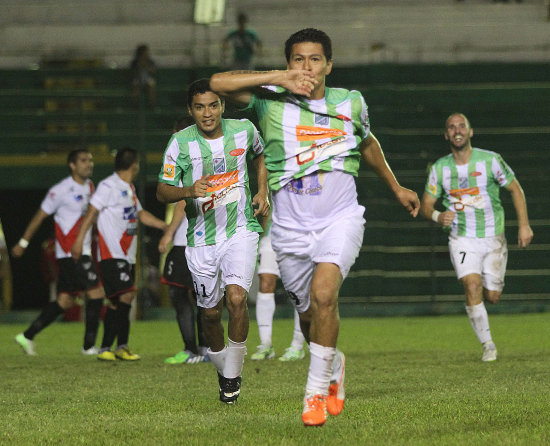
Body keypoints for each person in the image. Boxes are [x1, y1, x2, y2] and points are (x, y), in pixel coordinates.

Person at [210, 28, 420, 426]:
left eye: (315, 59)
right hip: (289, 228)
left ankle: (313, 396)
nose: (307, 67)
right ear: (288, 63)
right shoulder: (268, 104)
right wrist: (276, 78)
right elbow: (217, 84)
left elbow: (367, 141)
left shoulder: (350, 102)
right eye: (298, 60)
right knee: (309, 317)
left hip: (340, 217)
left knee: (325, 295)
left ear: (329, 65)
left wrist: (395, 187)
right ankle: (334, 364)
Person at [156, 78, 270, 404]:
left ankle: (232, 375)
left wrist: (262, 190)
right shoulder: (179, 143)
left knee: (236, 299)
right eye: (199, 107)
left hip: (240, 230)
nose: (207, 113)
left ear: (223, 105)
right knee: (209, 314)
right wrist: (188, 190)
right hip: (201, 239)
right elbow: (162, 190)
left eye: (212, 105)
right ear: (190, 110)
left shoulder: (244, 130)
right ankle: (225, 371)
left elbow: (260, 155)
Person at [420, 113, 533, 362]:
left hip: (494, 238)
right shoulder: (440, 168)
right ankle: (488, 345)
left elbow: (516, 189)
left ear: (471, 132)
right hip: (461, 238)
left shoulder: (491, 161)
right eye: (451, 127)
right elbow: (426, 206)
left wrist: (524, 225)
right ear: (446, 134)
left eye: (462, 126)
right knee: (471, 286)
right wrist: (439, 216)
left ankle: (484, 289)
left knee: (492, 296)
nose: (457, 131)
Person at [72, 147, 167, 361]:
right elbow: (91, 213)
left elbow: (140, 214)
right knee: (126, 295)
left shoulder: (129, 188)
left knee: (117, 302)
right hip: (112, 253)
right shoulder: (108, 186)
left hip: (127, 255)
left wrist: (164, 225)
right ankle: (114, 346)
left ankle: (112, 347)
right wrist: (79, 241)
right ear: (135, 165)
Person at [12, 149, 105, 356]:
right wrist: (23, 242)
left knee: (65, 300)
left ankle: (26, 336)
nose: (88, 164)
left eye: (90, 160)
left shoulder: (91, 186)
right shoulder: (60, 190)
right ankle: (89, 346)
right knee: (96, 294)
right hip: (72, 252)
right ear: (72, 165)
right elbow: (39, 216)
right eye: (83, 161)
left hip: (82, 250)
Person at [159, 116, 209, 365]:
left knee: (180, 294)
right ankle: (207, 348)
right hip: (205, 237)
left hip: (185, 240)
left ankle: (193, 349)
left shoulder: (183, 157)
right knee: (203, 296)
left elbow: (181, 201)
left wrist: (168, 233)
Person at [250, 211, 306, 362]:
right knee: (265, 283)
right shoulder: (270, 185)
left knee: (297, 289)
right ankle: (266, 344)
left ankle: (297, 345)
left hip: (298, 235)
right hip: (272, 234)